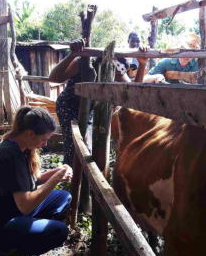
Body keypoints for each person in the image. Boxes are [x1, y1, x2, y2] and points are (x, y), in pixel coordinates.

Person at [0, 106, 73, 256]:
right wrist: (55, 180)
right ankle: (5, 255)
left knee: (63, 197)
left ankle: (23, 232)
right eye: (44, 139)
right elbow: (25, 205)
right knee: (58, 232)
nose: (45, 144)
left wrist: (56, 172)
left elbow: (35, 179)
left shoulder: (20, 147)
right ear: (30, 133)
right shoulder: (10, 155)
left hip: (13, 208)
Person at [49, 38, 148, 168]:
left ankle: (81, 175)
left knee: (87, 145)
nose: (120, 76)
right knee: (73, 145)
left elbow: (133, 93)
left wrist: (142, 64)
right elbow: (54, 78)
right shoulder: (83, 62)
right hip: (68, 105)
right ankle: (69, 175)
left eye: (121, 73)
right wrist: (72, 54)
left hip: (89, 109)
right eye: (119, 72)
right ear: (109, 64)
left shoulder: (118, 72)